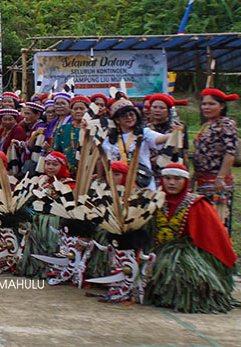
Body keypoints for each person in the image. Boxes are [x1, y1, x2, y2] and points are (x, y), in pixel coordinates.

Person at [149, 163, 237, 313]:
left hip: (186, 253)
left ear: (185, 181)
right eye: (167, 178)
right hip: (156, 251)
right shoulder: (155, 202)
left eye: (177, 179)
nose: (171, 183)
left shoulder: (197, 204)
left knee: (180, 270)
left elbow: (212, 235)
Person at [101, 97, 180, 190]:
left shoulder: (144, 133)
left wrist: (175, 132)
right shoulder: (109, 139)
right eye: (124, 116)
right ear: (117, 120)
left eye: (131, 114)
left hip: (141, 182)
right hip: (119, 183)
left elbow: (160, 139)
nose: (129, 118)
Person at [192, 88, 237, 235]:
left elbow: (230, 152)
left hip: (217, 183)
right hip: (203, 182)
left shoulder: (225, 124)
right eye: (204, 104)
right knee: (206, 223)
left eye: (211, 104)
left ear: (222, 106)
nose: (206, 107)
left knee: (219, 223)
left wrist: (220, 177)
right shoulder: (207, 125)